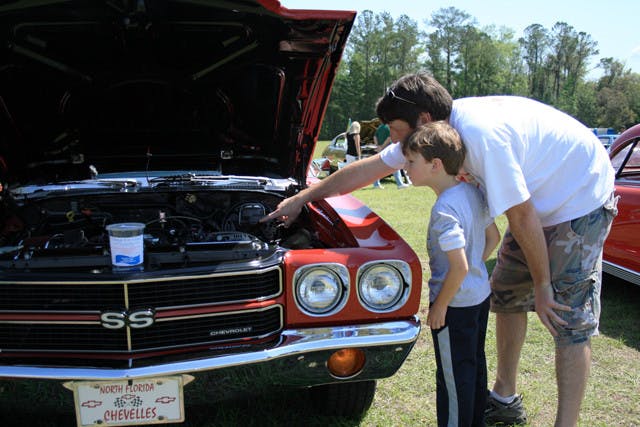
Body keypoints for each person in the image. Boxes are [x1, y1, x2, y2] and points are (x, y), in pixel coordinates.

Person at [262, 71, 617, 427]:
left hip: (578, 193)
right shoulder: (434, 140)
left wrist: (542, 285)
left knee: (569, 320)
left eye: (396, 128)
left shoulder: (479, 138)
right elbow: (367, 169)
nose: (393, 138)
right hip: (532, 201)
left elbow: (521, 215)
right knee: (507, 297)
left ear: (425, 119)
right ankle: (505, 398)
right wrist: (304, 197)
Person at [404, 121, 500, 426]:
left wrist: (441, 305)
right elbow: (493, 238)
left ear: (435, 164)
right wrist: (475, 268)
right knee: (472, 365)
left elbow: (458, 266)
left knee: (452, 378)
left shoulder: (445, 209)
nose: (406, 167)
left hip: (455, 307)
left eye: (411, 161)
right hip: (479, 297)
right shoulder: (473, 192)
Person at [372, 123, 410, 189]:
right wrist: (382, 147)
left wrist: (378, 146)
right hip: (387, 149)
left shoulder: (380, 127)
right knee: (395, 165)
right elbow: (389, 138)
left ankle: (376, 184)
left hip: (381, 149)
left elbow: (374, 137)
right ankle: (400, 183)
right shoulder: (389, 127)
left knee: (380, 167)